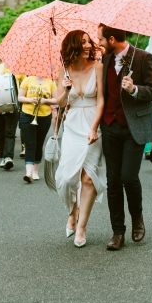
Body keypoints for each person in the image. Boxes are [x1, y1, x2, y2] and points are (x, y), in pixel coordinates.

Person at [98, 24, 152, 251]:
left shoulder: (144, 58)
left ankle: (137, 218)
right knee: (113, 181)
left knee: (128, 177)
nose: (99, 44)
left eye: (101, 40)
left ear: (112, 39)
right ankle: (117, 232)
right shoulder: (105, 60)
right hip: (110, 127)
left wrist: (135, 89)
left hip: (134, 127)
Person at [54, 30, 106, 248]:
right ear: (73, 46)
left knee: (87, 178)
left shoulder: (98, 67)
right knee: (67, 178)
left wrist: (94, 127)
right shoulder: (63, 71)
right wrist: (66, 90)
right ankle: (72, 210)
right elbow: (61, 104)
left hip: (94, 124)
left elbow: (102, 100)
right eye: (83, 42)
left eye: (89, 41)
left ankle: (82, 226)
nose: (88, 45)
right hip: (73, 125)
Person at [18, 74, 58, 183]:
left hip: (44, 116)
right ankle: (28, 172)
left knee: (39, 143)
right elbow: (20, 97)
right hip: (27, 114)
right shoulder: (27, 80)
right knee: (30, 143)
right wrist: (30, 100)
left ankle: (35, 170)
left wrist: (45, 101)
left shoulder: (50, 82)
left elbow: (57, 99)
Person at [0, 56, 19, 170]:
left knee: (10, 132)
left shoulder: (18, 68)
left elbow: (19, 86)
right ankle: (3, 156)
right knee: (0, 132)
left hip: (13, 105)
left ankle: (8, 157)